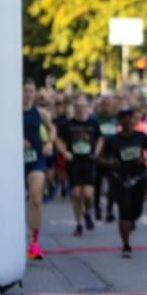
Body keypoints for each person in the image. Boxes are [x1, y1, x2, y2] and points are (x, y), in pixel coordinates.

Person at [98, 107, 147, 258]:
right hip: (120, 179)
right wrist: (111, 162)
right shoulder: (113, 140)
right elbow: (100, 158)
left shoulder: (141, 137)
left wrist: (145, 159)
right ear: (120, 121)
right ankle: (126, 244)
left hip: (138, 178)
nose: (127, 120)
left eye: (130, 117)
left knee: (135, 211)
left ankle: (131, 221)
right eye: (123, 117)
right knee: (125, 211)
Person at [56, 94, 102, 236]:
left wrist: (97, 152)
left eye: (83, 107)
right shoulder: (67, 124)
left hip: (89, 161)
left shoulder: (93, 123)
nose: (80, 109)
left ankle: (87, 213)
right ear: (74, 108)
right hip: (74, 161)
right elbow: (58, 140)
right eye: (77, 107)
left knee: (88, 194)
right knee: (76, 194)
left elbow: (100, 138)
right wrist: (65, 153)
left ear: (88, 108)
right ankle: (79, 224)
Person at [23, 78, 57, 260]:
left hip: (36, 159)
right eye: (24, 91)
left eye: (31, 91)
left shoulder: (41, 113)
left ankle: (34, 244)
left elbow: (52, 129)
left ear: (35, 93)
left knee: (36, 199)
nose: (27, 94)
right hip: (13, 162)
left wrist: (50, 143)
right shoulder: (11, 111)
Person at [94, 95, 119, 222]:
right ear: (101, 105)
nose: (108, 106)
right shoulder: (96, 119)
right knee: (97, 183)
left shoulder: (116, 119)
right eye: (105, 104)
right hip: (99, 154)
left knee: (112, 184)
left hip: (112, 154)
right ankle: (97, 208)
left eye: (110, 104)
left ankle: (109, 210)